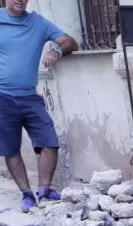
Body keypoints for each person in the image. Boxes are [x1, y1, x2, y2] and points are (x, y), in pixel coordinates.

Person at [0, 0, 78, 212]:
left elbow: (70, 42)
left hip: (30, 96)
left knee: (49, 141)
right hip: (2, 97)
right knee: (11, 149)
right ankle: (26, 195)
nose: (20, 0)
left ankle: (44, 191)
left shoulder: (38, 23)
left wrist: (55, 52)